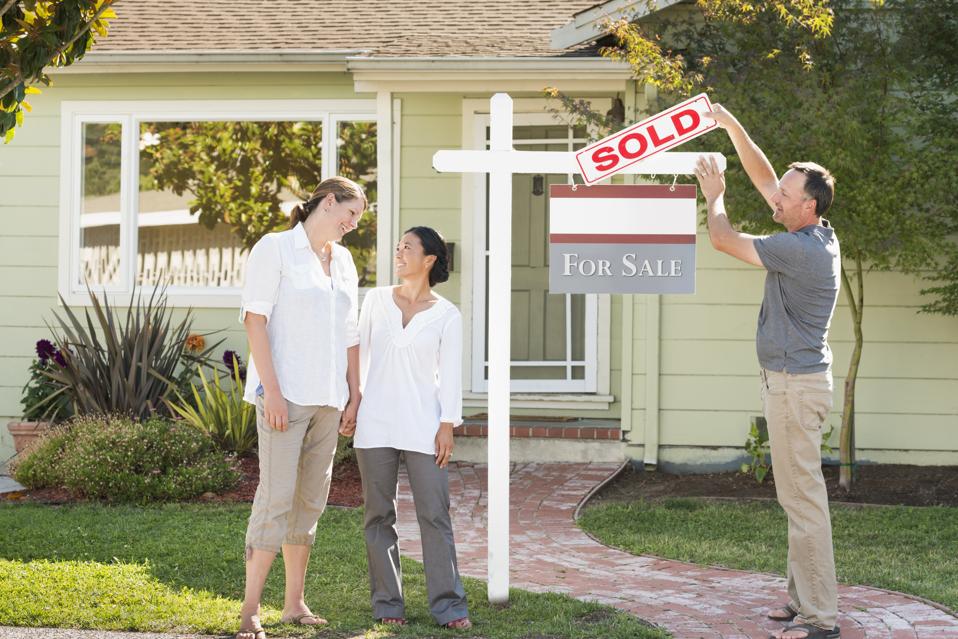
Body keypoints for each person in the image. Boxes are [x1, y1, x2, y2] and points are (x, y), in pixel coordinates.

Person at [695, 105, 841, 639]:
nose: (773, 195)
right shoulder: (812, 231)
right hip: (792, 383)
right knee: (797, 495)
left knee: (803, 500)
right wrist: (730, 124)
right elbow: (761, 176)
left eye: (784, 191)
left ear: (807, 205)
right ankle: (802, 599)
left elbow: (722, 239)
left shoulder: (798, 251)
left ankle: (821, 618)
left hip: (794, 387)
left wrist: (715, 198)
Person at [236, 176, 366, 639]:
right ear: (327, 202)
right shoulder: (274, 249)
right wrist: (270, 390)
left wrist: (355, 393)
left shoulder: (345, 261)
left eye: (358, 218)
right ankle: (250, 609)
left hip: (329, 400)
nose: (353, 224)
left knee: (310, 501)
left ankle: (294, 604)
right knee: (274, 497)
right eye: (350, 213)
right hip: (285, 395)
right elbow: (255, 321)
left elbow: (351, 333)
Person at [340, 226, 471, 630]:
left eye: (407, 248)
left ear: (429, 259)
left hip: (424, 426)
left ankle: (448, 607)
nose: (399, 253)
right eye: (398, 247)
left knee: (435, 515)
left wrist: (447, 425)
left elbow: (450, 376)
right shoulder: (376, 300)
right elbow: (356, 352)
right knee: (378, 515)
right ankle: (387, 604)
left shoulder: (447, 315)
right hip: (375, 424)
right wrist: (354, 399)